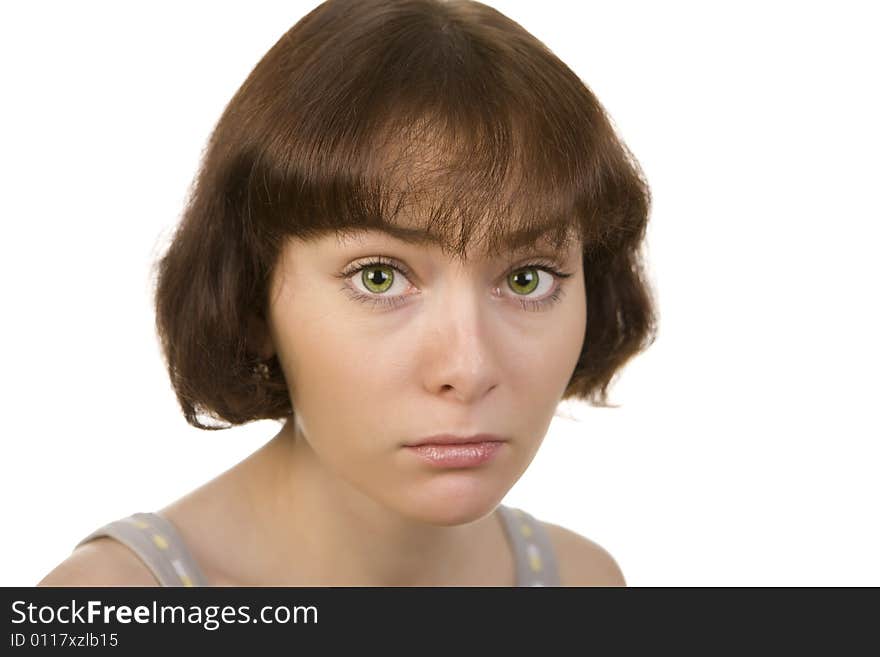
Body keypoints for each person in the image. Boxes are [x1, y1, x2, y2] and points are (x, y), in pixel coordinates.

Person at [38, 0, 656, 587]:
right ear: (251, 299)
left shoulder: (583, 583)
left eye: (528, 279)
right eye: (379, 277)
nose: (467, 369)